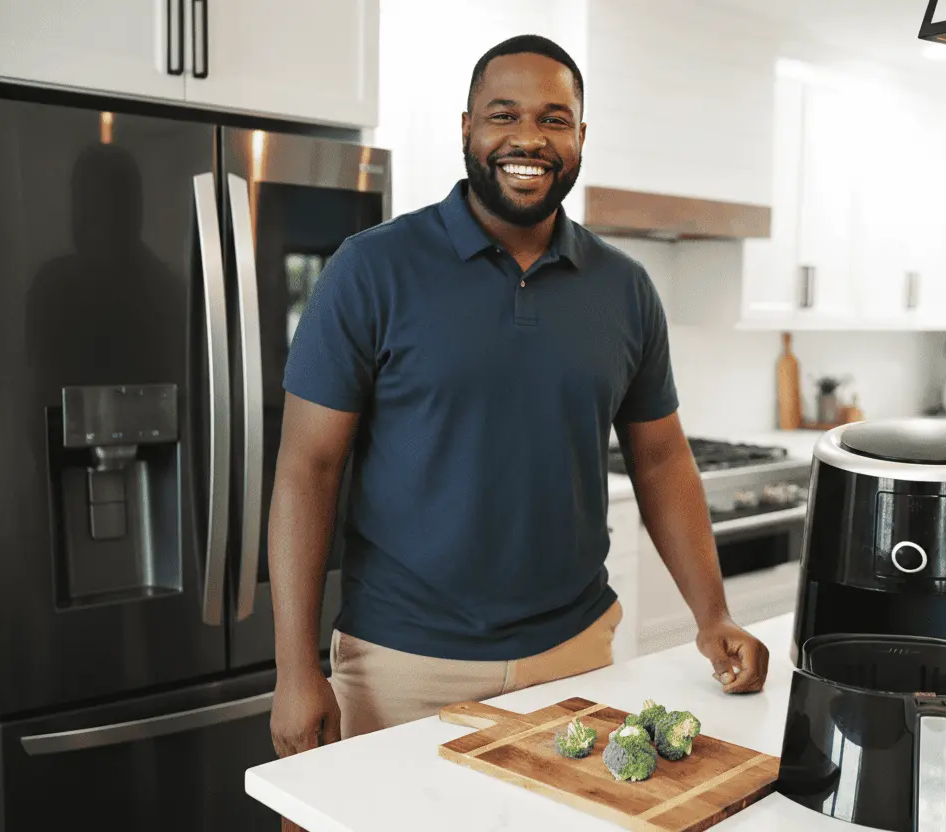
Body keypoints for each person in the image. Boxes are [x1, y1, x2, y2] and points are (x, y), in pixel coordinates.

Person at [268, 33, 771, 765]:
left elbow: (661, 460)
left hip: (574, 656)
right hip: (403, 667)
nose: (528, 138)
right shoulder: (371, 269)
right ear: (467, 128)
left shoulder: (625, 288)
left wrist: (712, 613)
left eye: (554, 119)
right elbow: (307, 469)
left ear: (580, 137)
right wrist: (294, 667)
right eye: (503, 115)